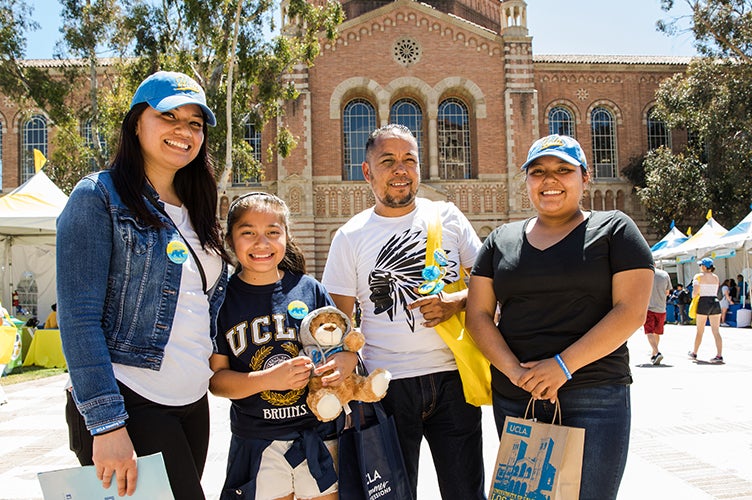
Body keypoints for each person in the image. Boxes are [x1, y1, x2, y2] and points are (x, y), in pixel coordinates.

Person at [56, 71, 229, 499]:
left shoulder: (198, 210)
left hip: (191, 402)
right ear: (137, 122)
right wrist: (107, 424)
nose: (183, 131)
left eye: (195, 123)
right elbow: (78, 319)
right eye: (168, 116)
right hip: (132, 401)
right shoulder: (98, 196)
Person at [465, 134, 654, 500]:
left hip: (594, 394)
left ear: (585, 177)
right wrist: (516, 372)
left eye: (563, 170)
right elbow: (479, 316)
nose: (549, 180)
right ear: (528, 182)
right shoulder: (499, 240)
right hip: (519, 397)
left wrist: (562, 366)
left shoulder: (615, 229)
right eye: (538, 172)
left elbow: (630, 312)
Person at [322, 124, 485, 499]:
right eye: (389, 161)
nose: (401, 169)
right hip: (387, 388)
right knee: (392, 495)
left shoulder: (448, 216)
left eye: (409, 160)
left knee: (466, 493)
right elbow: (336, 321)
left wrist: (456, 301)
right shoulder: (350, 236)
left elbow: (487, 285)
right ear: (367, 172)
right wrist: (346, 376)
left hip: (453, 381)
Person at [210, 192, 349, 500]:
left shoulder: (309, 289)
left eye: (273, 232)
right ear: (231, 239)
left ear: (287, 236)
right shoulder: (222, 300)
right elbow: (216, 381)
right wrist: (270, 380)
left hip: (319, 436)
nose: (262, 243)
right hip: (258, 441)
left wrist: (337, 370)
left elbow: (345, 351)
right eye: (248, 233)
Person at [689, 258, 724, 363]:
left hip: (703, 302)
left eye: (700, 265)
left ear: (704, 266)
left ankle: (694, 352)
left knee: (700, 330)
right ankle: (719, 355)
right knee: (716, 331)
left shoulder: (698, 277)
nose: (700, 267)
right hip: (715, 301)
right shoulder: (716, 277)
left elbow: (695, 293)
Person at [644, 268, 672, 364]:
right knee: (657, 332)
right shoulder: (665, 274)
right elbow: (667, 292)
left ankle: (657, 352)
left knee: (649, 332)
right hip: (661, 308)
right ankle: (654, 354)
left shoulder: (646, 274)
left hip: (649, 308)